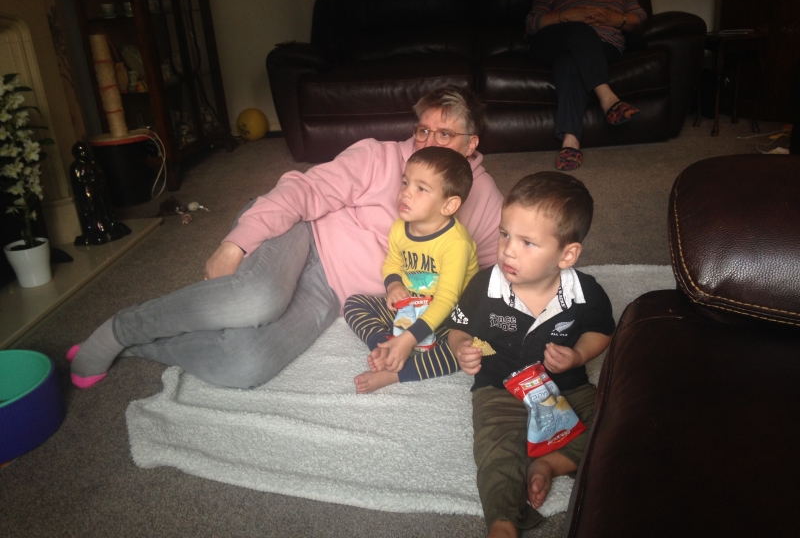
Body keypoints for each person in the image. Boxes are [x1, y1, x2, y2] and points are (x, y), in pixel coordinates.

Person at [68, 86, 503, 390]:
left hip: (334, 293)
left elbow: (489, 274)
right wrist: (235, 244)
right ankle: (122, 326)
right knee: (257, 299)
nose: (427, 142)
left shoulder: (483, 199)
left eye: (445, 134)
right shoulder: (381, 156)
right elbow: (305, 189)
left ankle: (136, 347)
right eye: (422, 130)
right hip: (304, 235)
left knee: (245, 364)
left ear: (471, 144)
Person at [447, 172, 616, 538]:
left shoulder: (586, 293)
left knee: (614, 424)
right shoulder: (484, 286)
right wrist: (461, 347)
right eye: (504, 234)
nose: (508, 250)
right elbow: (457, 328)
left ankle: (550, 464)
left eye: (527, 242)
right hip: (498, 387)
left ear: (567, 254)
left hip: (566, 385)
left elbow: (602, 332)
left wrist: (577, 355)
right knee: (496, 449)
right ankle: (503, 522)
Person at [344, 146, 479, 393]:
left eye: (421, 188)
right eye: (405, 182)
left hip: (447, 316)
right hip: (409, 307)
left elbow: (447, 299)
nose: (406, 192)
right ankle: (385, 347)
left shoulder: (456, 243)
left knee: (464, 351)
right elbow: (392, 263)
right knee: (353, 304)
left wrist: (409, 338)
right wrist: (394, 284)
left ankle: (396, 373)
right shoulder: (400, 227)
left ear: (448, 205)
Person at [526, 0, 647, 171]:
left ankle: (570, 141)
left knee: (569, 63)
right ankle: (608, 100)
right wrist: (566, 16)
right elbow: (532, 22)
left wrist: (615, 18)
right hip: (556, 41)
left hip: (603, 45)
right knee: (580, 31)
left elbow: (639, 17)